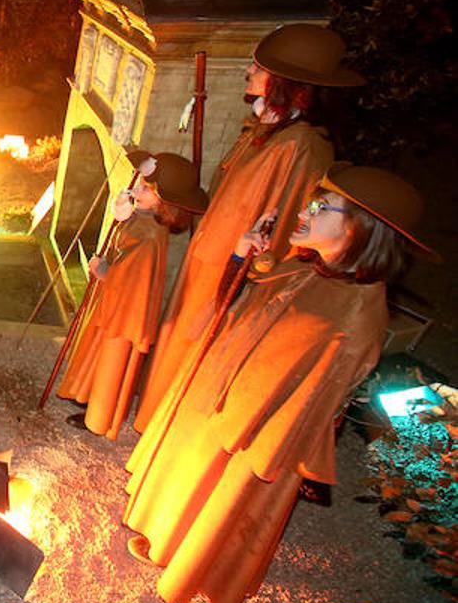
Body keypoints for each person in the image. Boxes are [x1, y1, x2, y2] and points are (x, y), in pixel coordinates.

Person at [123, 165, 424, 603]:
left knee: (220, 500)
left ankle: (194, 569)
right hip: (220, 397)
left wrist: (254, 438)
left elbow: (312, 406)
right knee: (188, 477)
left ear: (360, 228)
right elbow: (240, 304)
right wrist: (240, 258)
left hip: (252, 431)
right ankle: (164, 537)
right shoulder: (307, 265)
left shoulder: (357, 315)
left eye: (321, 206)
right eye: (311, 200)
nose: (304, 211)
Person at [134, 24, 356, 431]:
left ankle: (171, 425)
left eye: (259, 66)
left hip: (232, 268)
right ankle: (154, 415)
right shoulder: (268, 130)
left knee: (198, 342)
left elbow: (291, 219)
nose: (248, 70)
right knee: (179, 338)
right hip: (210, 256)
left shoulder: (301, 147)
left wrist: (254, 269)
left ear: (286, 83)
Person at [57, 152, 207, 439]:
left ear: (165, 204)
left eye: (146, 190)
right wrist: (125, 213)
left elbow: (133, 276)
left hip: (127, 312)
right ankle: (86, 392)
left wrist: (104, 271)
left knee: (112, 358)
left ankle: (98, 417)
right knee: (99, 349)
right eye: (140, 184)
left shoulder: (151, 237)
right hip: (117, 303)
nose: (137, 190)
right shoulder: (144, 220)